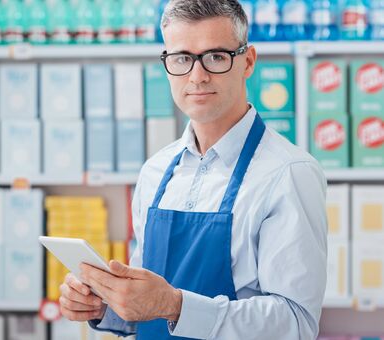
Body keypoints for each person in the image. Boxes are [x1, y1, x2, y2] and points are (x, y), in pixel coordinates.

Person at [59, 0, 328, 339]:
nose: (197, 76)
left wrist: (175, 305)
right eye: (182, 59)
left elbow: (296, 323)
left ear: (247, 61)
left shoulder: (288, 173)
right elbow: (147, 306)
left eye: (216, 57)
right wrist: (106, 305)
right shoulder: (155, 172)